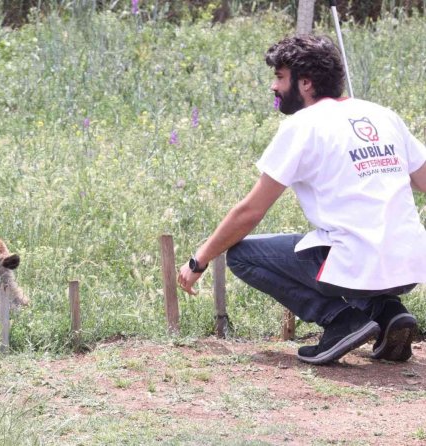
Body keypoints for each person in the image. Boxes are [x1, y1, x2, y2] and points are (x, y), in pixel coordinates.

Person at [178, 35, 426, 365]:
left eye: (280, 77)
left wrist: (200, 259)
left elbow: (250, 211)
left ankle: (341, 320)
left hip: (353, 264)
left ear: (305, 83)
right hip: (409, 263)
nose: (273, 87)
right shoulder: (382, 115)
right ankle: (389, 312)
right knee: (354, 243)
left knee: (242, 255)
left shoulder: (303, 125)